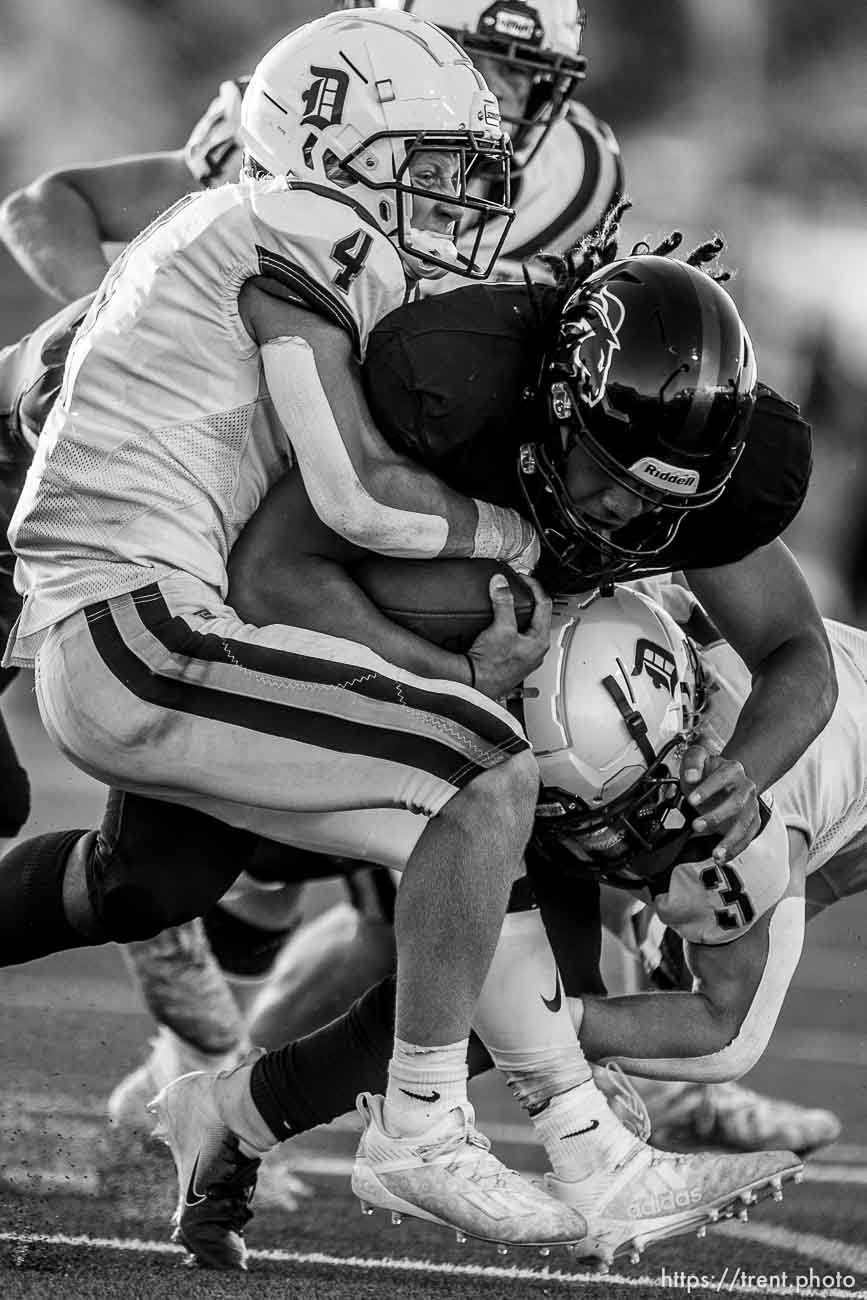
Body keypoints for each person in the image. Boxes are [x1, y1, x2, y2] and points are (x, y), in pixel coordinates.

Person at [1, 7, 614, 1254]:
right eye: (439, 154)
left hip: (160, 581)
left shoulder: (346, 210)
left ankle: (276, 1106)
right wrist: (518, 540)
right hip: (96, 560)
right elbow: (356, 492)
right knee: (474, 772)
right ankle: (427, 1130)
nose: (471, 177)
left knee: (164, 874)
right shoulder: (299, 214)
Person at [148, 247, 818, 1269]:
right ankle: (565, 1146)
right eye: (610, 477)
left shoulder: (681, 482)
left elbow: (798, 655)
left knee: (510, 990)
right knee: (141, 882)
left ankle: (233, 1113)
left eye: (660, 503)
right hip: (300, 671)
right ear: (555, 406)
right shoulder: (458, 407)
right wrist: (454, 676)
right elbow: (270, 574)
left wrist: (746, 769)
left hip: (512, 728)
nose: (624, 519)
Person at [0, 2, 621, 307]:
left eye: (525, 76)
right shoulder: (301, 122)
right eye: (474, 63)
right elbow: (46, 205)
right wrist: (103, 324)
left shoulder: (578, 176)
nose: (499, 98)